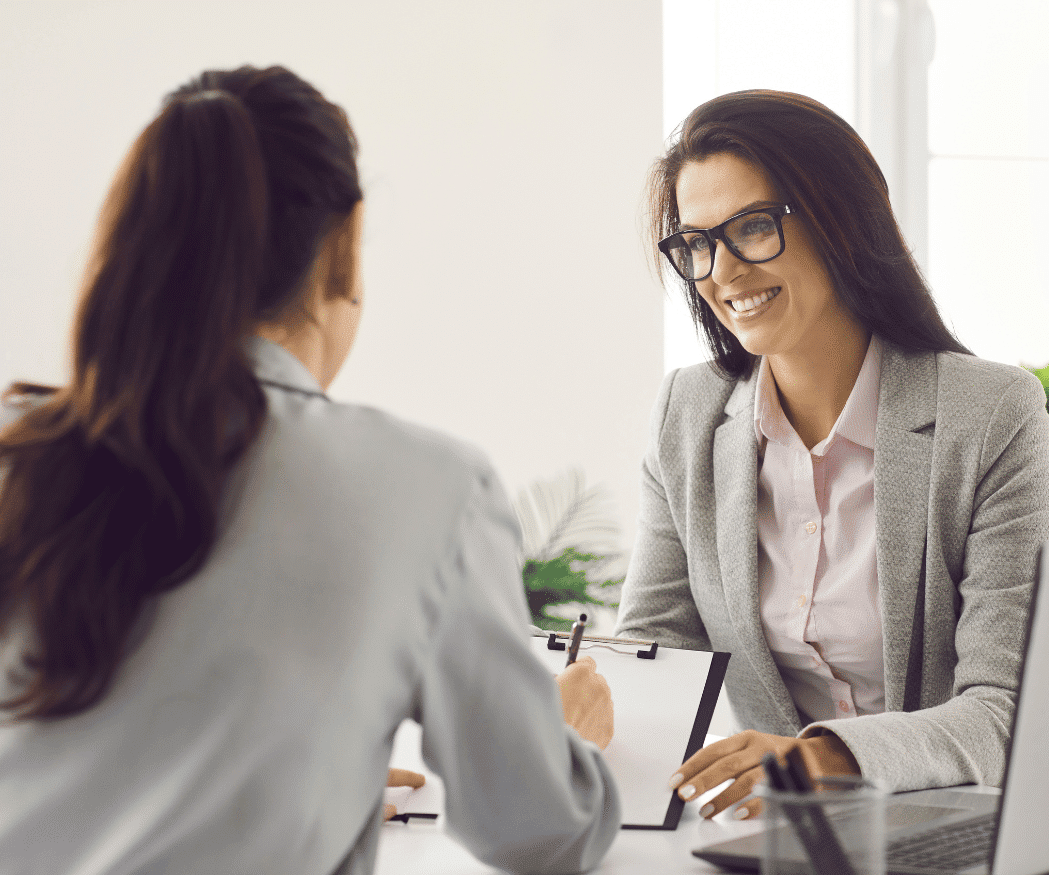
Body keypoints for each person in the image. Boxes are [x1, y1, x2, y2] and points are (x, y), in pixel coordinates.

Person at [0, 66, 619, 874]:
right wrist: (562, 742)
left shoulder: (22, 451)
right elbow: (537, 830)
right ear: (346, 247)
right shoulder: (429, 488)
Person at [613, 90, 1049, 820]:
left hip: (956, 827)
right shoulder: (687, 415)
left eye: (753, 226)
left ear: (841, 220)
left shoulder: (990, 414)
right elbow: (654, 656)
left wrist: (823, 758)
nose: (721, 272)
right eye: (696, 243)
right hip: (788, 839)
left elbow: (1007, 707)